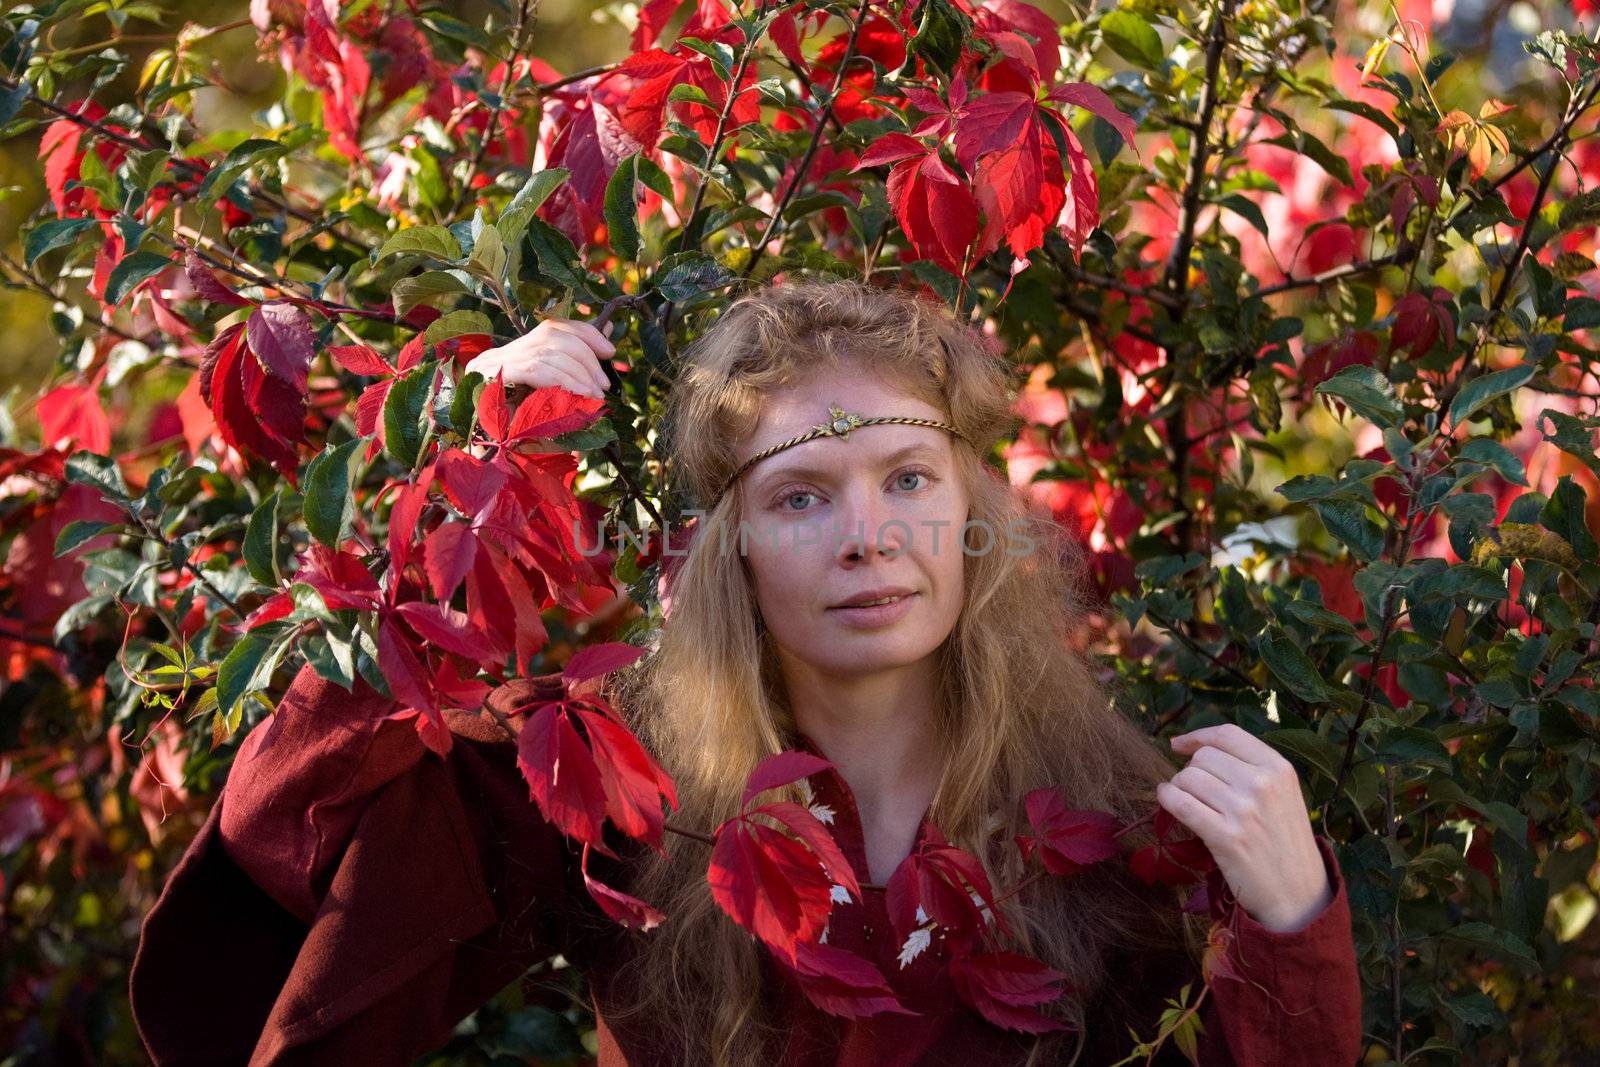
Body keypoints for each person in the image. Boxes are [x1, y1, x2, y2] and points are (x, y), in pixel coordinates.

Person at [128, 278, 1362, 1066]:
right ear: (730, 548)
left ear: (973, 509)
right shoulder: (618, 782)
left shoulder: (1101, 807)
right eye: (801, 495)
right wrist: (473, 490)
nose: (868, 535)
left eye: (910, 479)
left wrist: (1293, 915)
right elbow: (286, 835)